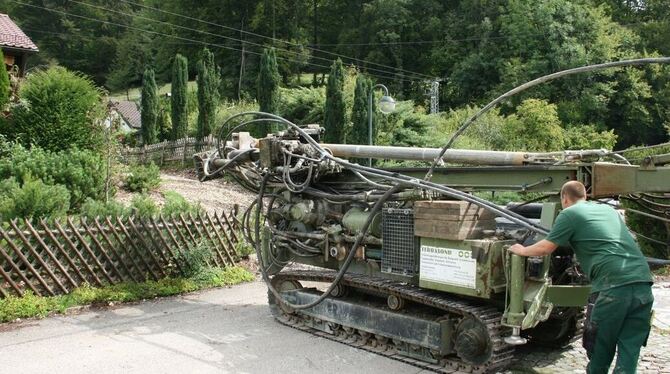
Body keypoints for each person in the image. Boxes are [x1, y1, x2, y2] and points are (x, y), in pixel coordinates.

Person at [509, 180, 654, 374]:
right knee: (630, 350)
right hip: (643, 283)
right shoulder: (608, 211)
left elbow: (545, 248)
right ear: (585, 196)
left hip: (613, 287)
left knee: (601, 346)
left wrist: (523, 249)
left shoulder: (569, 213)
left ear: (565, 199)